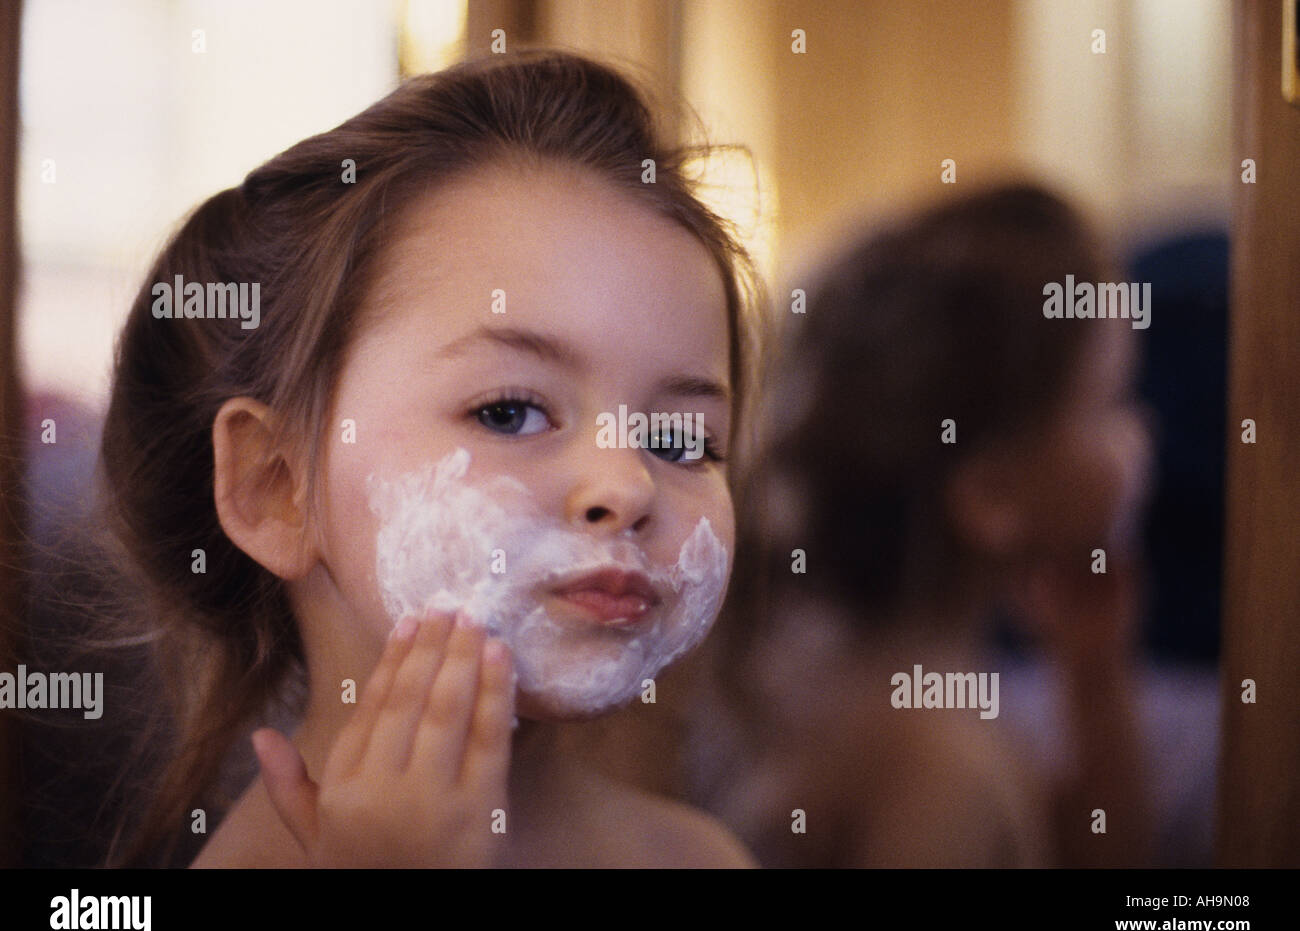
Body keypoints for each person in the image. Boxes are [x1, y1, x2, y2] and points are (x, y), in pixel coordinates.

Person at [95, 49, 765, 868]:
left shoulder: (702, 857)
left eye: (681, 439)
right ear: (277, 486)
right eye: (510, 411)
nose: (626, 485)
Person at [698, 184, 1154, 867]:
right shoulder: (941, 767)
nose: (1139, 437)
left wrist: (1094, 674)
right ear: (992, 494)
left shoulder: (898, 689)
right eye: (1108, 403)